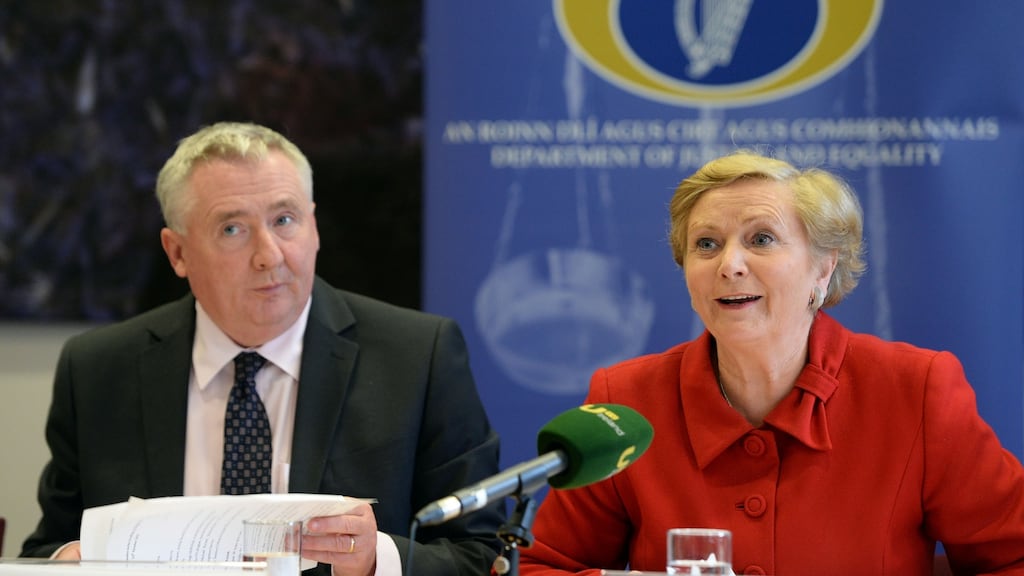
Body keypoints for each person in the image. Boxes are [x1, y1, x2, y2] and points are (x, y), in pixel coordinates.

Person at [20, 121, 506, 576]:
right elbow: (45, 549)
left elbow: (484, 555)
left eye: (285, 220)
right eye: (232, 229)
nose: (269, 255)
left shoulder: (418, 357)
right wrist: (73, 561)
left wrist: (377, 558)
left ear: (314, 228)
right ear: (178, 253)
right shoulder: (98, 370)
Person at [518, 151, 1024, 575]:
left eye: (761, 239)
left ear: (822, 269)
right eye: (706, 244)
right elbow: (546, 565)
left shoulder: (915, 391)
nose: (729, 264)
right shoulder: (625, 402)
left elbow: (1012, 557)